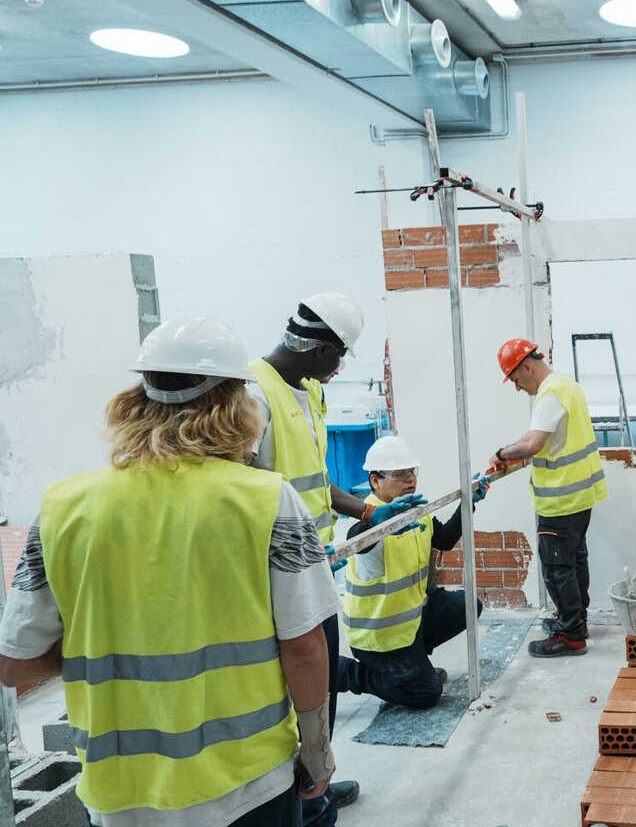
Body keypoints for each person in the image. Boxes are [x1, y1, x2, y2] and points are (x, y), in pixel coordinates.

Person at [0, 315, 338, 826]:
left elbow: (15, 665)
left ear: (135, 399)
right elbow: (305, 648)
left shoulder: (60, 509)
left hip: (118, 796)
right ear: (235, 403)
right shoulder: (268, 501)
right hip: (247, 784)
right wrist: (317, 753)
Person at [248, 294, 424, 822]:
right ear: (321, 350)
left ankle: (315, 783)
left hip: (319, 568)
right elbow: (236, 496)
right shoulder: (254, 396)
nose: (339, 369)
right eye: (339, 357)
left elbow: (318, 484)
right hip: (277, 577)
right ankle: (299, 802)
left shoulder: (308, 392)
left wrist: (370, 511)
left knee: (321, 687)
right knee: (293, 689)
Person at [337, 435, 489, 708]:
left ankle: (414, 665)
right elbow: (356, 539)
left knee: (468, 605)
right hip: (378, 636)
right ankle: (346, 673)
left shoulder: (415, 509)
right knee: (425, 694)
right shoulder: (371, 517)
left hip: (411, 621)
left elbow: (444, 539)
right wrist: (378, 523)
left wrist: (469, 502)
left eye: (411, 471)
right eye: (399, 474)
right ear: (375, 481)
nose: (409, 479)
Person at [488, 339, 608, 657]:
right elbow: (534, 437)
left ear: (527, 367)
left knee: (558, 568)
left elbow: (533, 445)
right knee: (574, 562)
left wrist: (501, 454)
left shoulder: (550, 394)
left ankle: (570, 636)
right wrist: (512, 453)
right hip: (579, 496)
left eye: (515, 379)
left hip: (560, 500)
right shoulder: (567, 387)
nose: (517, 388)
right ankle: (577, 621)